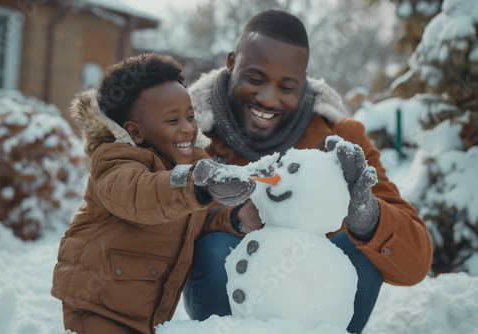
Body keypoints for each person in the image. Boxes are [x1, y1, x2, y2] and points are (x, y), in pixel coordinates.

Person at [183, 10, 433, 333]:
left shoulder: (341, 140)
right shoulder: (191, 135)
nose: (267, 98)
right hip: (229, 304)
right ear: (231, 63)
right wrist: (229, 218)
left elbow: (416, 265)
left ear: (302, 83)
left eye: (286, 87)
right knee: (216, 247)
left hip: (316, 305)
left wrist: (368, 218)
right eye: (255, 79)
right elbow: (162, 230)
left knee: (361, 246)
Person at [51, 53, 257, 334]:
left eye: (190, 116)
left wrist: (234, 217)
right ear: (135, 132)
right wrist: (196, 185)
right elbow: (140, 196)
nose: (188, 128)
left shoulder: (193, 166)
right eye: (172, 120)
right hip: (95, 307)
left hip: (148, 315)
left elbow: (202, 216)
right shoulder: (114, 162)